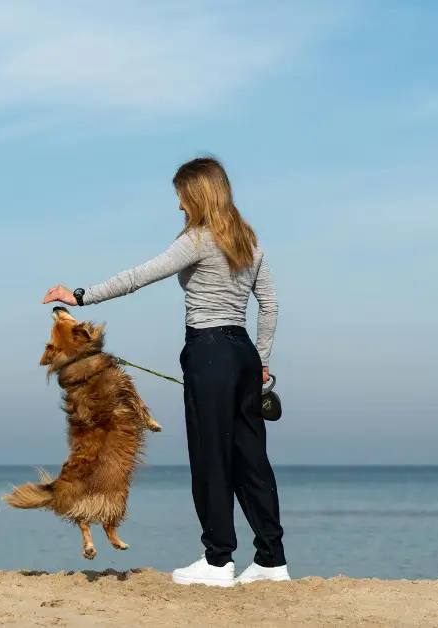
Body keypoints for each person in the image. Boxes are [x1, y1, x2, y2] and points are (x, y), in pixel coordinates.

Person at [41, 156, 289, 586]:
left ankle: (218, 561)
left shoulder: (197, 240)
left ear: (197, 195)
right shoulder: (251, 243)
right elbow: (269, 305)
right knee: (251, 459)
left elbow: (139, 276)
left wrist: (80, 296)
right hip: (244, 354)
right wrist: (262, 358)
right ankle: (271, 560)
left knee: (211, 457)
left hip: (209, 352)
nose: (178, 205)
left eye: (181, 196)